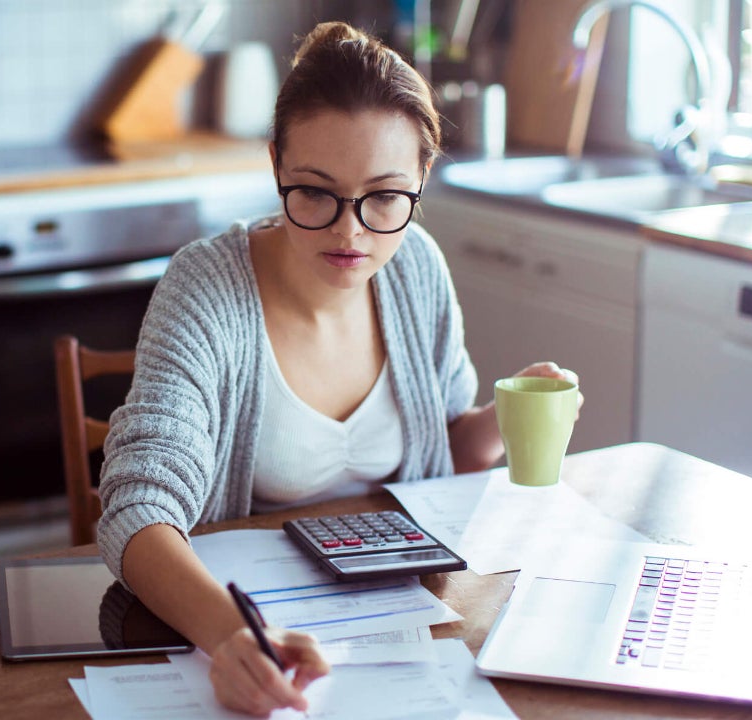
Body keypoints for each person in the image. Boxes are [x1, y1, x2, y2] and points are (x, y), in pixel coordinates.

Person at [96, 20, 580, 717]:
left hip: (403, 631)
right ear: (276, 166)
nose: (350, 232)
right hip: (246, 628)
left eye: (385, 196)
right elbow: (137, 511)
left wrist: (508, 419)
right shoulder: (206, 287)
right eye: (316, 192)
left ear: (422, 177)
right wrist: (236, 637)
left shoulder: (416, 266)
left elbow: (441, 448)